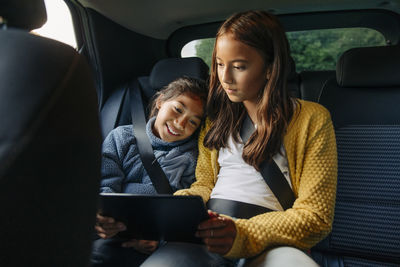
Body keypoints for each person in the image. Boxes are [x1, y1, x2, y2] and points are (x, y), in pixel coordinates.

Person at [140, 10, 337, 267]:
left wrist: (243, 233)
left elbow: (316, 217)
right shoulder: (216, 119)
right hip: (208, 231)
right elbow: (204, 184)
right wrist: (168, 218)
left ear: (270, 68)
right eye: (220, 64)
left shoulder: (312, 119)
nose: (225, 78)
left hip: (272, 240)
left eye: (239, 66)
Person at [91, 76, 208, 267]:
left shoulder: (191, 158)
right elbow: (105, 186)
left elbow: (183, 209)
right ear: (160, 102)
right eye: (177, 109)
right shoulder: (121, 137)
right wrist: (102, 218)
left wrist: (158, 238)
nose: (180, 123)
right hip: (112, 233)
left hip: (157, 242)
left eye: (193, 122)